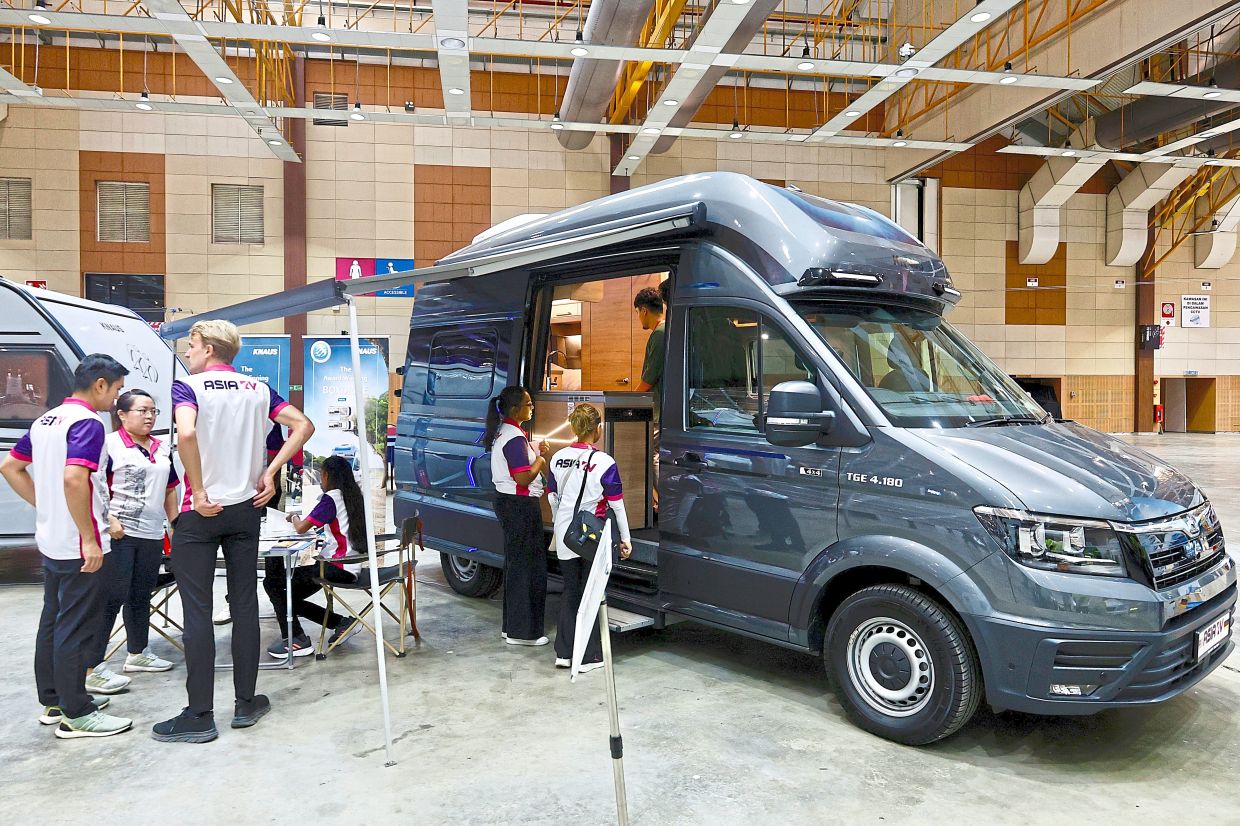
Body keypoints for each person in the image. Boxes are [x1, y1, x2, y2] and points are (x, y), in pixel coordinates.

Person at [152, 320, 313, 744]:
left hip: (200, 510)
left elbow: (186, 431)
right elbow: (303, 425)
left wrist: (199, 488)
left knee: (197, 610)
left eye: (191, 345)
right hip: (245, 509)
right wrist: (271, 472)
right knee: (244, 605)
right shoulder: (258, 389)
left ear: (208, 348)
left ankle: (199, 714)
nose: (187, 352)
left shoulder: (188, 387)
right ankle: (245, 703)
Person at [0, 354, 133, 739]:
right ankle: (76, 713)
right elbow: (76, 479)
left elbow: (10, 467)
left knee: (54, 619)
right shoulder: (87, 423)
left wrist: (46, 505)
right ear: (100, 384)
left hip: (52, 539)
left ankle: (55, 700)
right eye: (117, 390)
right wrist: (89, 538)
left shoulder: (46, 420)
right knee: (77, 626)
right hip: (79, 544)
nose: (116, 399)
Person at [93, 389, 179, 682]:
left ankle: (138, 652)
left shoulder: (162, 448)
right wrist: (109, 520)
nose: (149, 416)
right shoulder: (109, 445)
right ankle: (93, 665)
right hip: (120, 533)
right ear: (121, 414)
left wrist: (174, 524)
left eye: (153, 411)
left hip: (151, 533)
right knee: (112, 597)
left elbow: (169, 489)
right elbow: (94, 487)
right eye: (142, 411)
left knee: (140, 595)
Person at [546, 403, 631, 673]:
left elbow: (552, 497)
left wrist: (560, 524)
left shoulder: (558, 457)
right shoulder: (605, 462)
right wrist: (626, 539)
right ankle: (587, 656)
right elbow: (617, 505)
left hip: (564, 532)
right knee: (590, 593)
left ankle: (563, 653)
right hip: (591, 535)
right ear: (598, 429)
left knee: (570, 589)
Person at [263, 455, 366, 658]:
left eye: (321, 475)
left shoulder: (331, 498)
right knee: (285, 594)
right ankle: (341, 623)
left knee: (273, 584)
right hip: (349, 564)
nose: (320, 480)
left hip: (335, 566)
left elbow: (301, 528)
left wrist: (293, 517)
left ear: (327, 475)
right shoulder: (353, 495)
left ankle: (296, 639)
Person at [486, 385, 551, 646]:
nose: (532, 407)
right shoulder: (513, 437)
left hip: (509, 504)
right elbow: (523, 477)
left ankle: (511, 627)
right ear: (515, 409)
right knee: (528, 568)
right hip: (520, 506)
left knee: (516, 565)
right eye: (528, 404)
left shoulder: (506, 431)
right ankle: (524, 633)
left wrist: (532, 448)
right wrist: (540, 461)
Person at [633, 286, 666, 510]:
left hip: (658, 410)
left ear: (644, 310)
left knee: (652, 455)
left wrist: (631, 400)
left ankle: (664, 502)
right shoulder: (666, 330)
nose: (639, 317)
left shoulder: (659, 334)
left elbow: (648, 378)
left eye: (638, 312)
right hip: (664, 407)